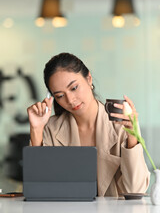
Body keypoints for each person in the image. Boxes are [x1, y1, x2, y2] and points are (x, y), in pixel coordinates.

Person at [27, 52, 150, 197]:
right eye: (60, 96)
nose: (71, 100)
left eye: (74, 88)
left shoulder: (120, 124)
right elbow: (39, 190)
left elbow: (136, 190)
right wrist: (36, 129)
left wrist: (132, 137)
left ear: (89, 79)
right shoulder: (52, 129)